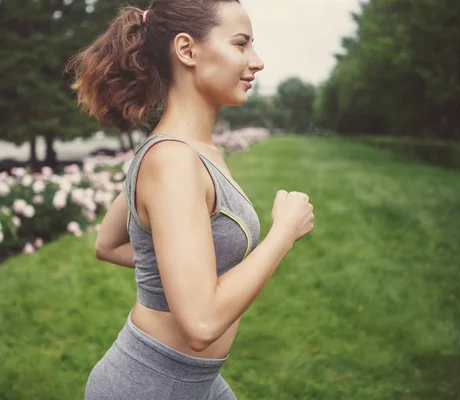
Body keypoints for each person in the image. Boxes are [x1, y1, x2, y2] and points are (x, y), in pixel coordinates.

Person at [65, 1, 315, 399]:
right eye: (241, 44)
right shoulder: (173, 161)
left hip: (200, 383)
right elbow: (201, 324)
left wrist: (191, 267)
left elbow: (108, 244)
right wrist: (283, 232)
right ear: (187, 50)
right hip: (150, 386)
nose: (257, 61)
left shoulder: (188, 150)